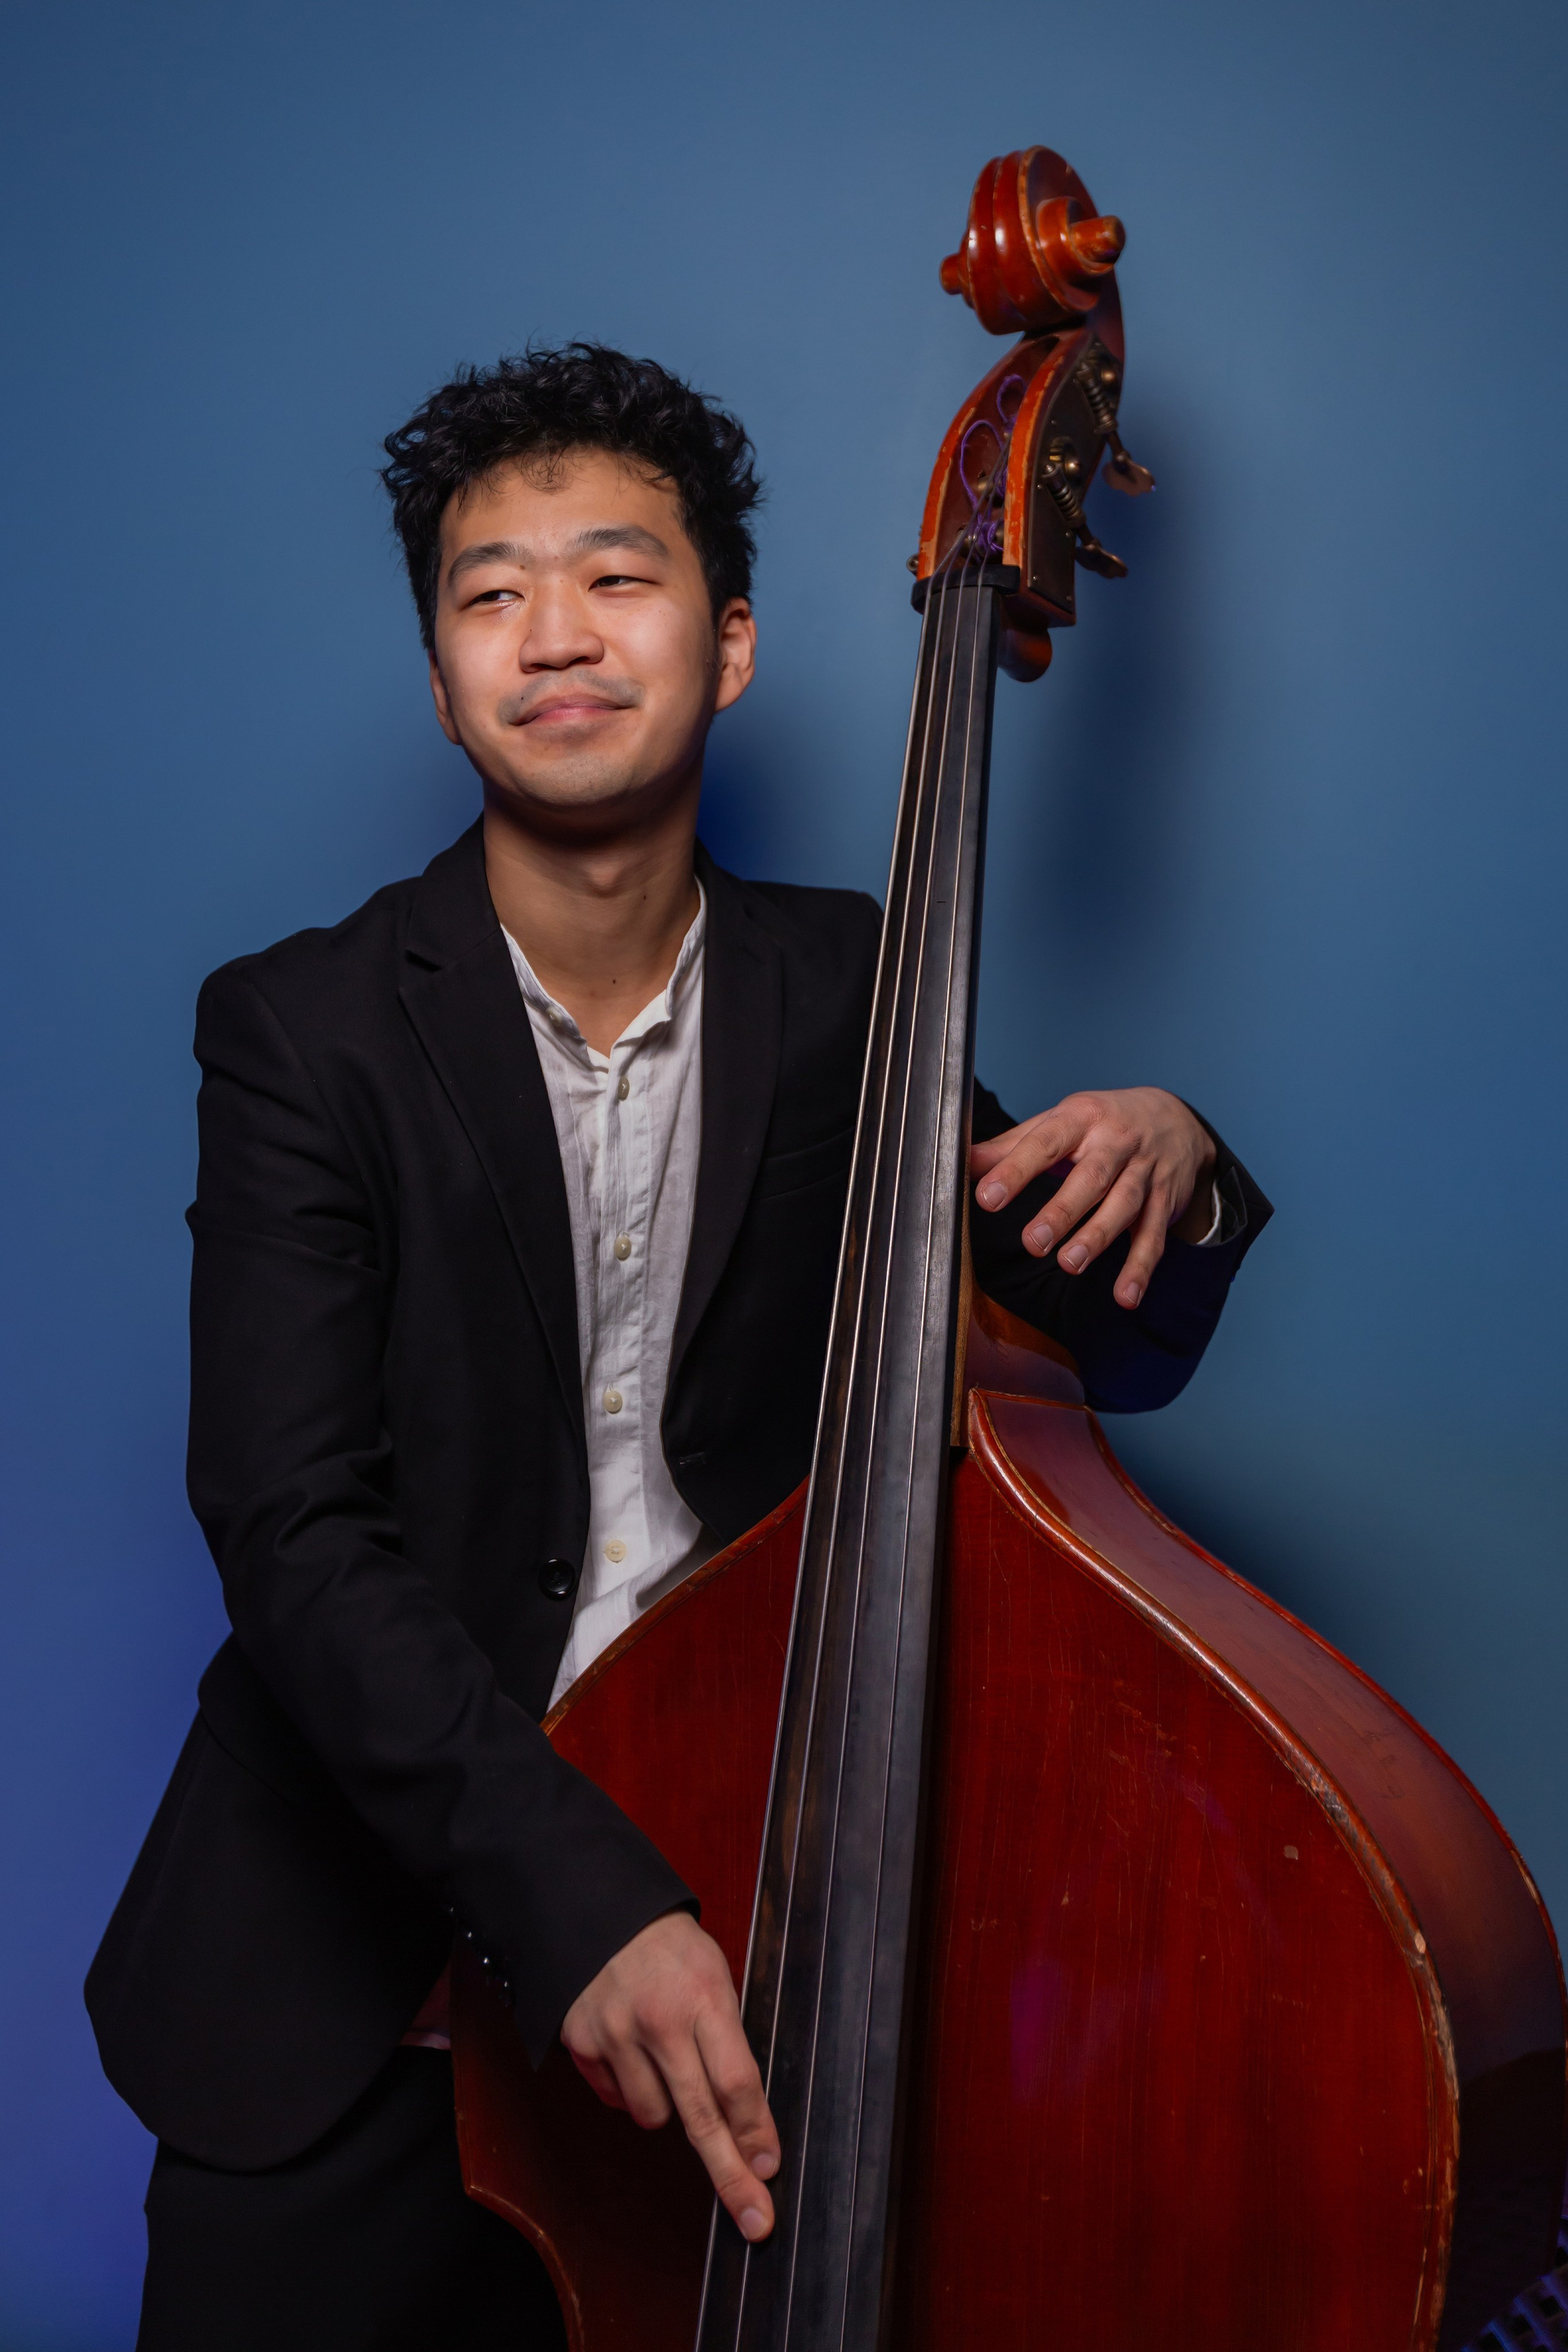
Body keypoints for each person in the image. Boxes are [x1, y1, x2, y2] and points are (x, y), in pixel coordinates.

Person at [87, 344, 1271, 2350]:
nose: (554, 633)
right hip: (351, 1979)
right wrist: (585, 1900)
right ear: (441, 678)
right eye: (491, 593)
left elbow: (1089, 1351)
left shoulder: (854, 987)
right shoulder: (299, 1030)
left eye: (615, 578)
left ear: (727, 649)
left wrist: (1179, 1168)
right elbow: (290, 1533)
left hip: (750, 1934)